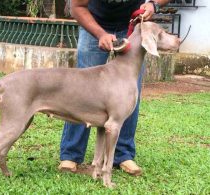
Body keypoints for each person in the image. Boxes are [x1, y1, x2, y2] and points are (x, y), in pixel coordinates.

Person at [59, 0, 171, 176]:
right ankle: (71, 154)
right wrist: (100, 34)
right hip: (95, 22)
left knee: (128, 93)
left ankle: (123, 155)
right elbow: (77, 7)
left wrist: (153, 4)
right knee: (80, 89)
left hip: (134, 26)